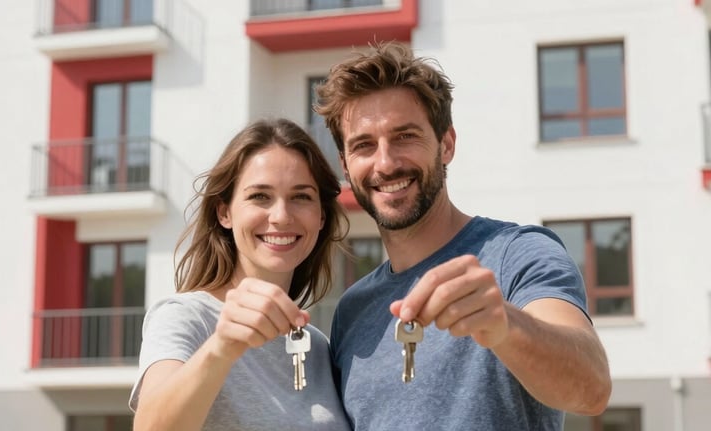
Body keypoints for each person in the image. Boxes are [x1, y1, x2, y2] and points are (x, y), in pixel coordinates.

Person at [314, 41, 612, 430]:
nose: (385, 163)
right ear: (346, 165)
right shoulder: (351, 310)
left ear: (446, 145)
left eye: (405, 136)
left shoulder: (518, 254)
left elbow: (591, 388)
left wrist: (504, 324)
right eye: (364, 145)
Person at [129, 118, 351, 431]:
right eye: (260, 196)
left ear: (321, 216)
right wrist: (222, 347)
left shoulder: (317, 347)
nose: (281, 216)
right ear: (225, 212)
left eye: (301, 197)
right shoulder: (187, 318)